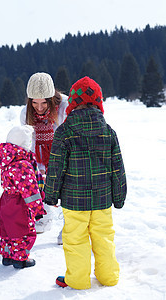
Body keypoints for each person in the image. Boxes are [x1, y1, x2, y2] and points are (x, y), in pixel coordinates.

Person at [43, 76, 127, 289]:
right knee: (104, 237)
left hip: (74, 201)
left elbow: (55, 168)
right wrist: (119, 197)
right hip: (102, 200)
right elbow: (118, 168)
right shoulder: (108, 132)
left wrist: (50, 195)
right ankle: (108, 277)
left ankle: (78, 280)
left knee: (75, 240)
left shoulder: (64, 132)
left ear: (72, 103)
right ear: (99, 102)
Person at [20, 72, 68, 242]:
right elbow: (29, 142)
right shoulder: (26, 113)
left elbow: (67, 139)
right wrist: (36, 169)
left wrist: (58, 165)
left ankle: (69, 225)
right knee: (39, 181)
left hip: (62, 151)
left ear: (52, 99)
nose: (39, 108)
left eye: (43, 103)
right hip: (40, 154)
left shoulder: (64, 107)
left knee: (67, 186)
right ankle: (44, 216)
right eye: (35, 103)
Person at [0, 125, 46, 269]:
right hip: (19, 201)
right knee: (23, 230)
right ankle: (20, 259)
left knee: (8, 228)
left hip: (6, 200)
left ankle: (7, 256)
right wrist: (37, 210)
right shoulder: (22, 164)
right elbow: (30, 191)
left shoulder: (6, 159)